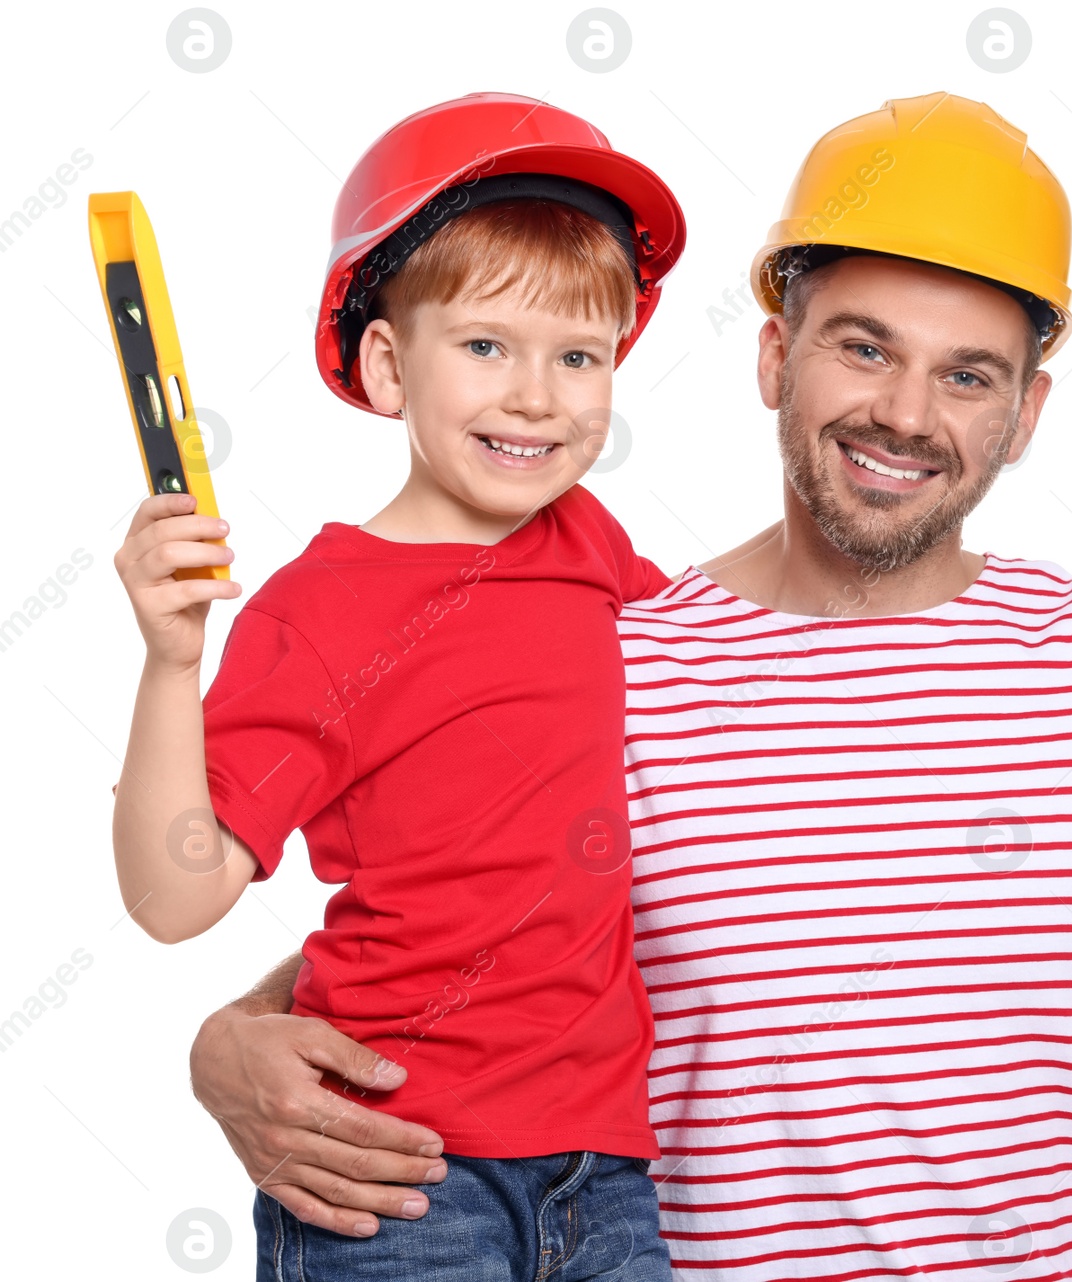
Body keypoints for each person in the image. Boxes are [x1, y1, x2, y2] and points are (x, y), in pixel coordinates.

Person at [186, 93, 1072, 1281]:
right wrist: (234, 1041)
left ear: (1026, 412)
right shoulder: (616, 657)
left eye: (968, 373)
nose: (907, 415)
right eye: (864, 349)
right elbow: (470, 914)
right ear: (775, 357)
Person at [111, 92, 686, 1279]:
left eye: (577, 355)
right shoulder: (320, 614)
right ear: (387, 365)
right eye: (485, 345)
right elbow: (174, 898)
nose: (537, 394)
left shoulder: (593, 547)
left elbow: (723, 675)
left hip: (613, 1180)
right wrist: (171, 664)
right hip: (397, 1180)